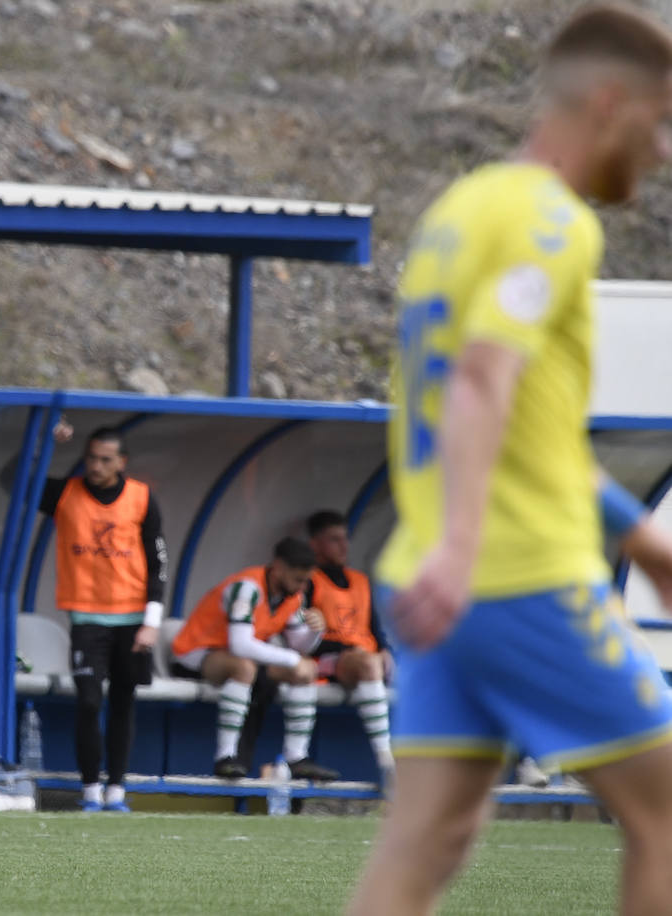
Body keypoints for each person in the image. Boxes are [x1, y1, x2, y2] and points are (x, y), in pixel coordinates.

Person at [349, 7, 672, 913]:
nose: (661, 152)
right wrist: (464, 545)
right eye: (659, 122)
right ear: (610, 103)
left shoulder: (463, 212)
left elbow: (525, 429)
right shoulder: (553, 223)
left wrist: (639, 541)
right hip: (515, 572)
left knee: (426, 842)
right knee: (667, 816)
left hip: (438, 580)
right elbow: (484, 378)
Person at [32, 419, 167, 812]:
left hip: (132, 619)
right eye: (91, 458)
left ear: (121, 462)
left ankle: (116, 790)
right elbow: (13, 478)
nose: (96, 466)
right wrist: (46, 443)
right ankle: (90, 788)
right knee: (89, 702)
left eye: (106, 460)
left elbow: (159, 562)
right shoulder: (65, 493)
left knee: (124, 703)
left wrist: (152, 620)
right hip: (87, 618)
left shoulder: (142, 498)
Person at [170, 538, 339, 781]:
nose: (302, 587)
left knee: (305, 671)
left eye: (306, 581)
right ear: (279, 568)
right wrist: (292, 658)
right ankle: (226, 757)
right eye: (298, 579)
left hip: (238, 658)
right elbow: (240, 644)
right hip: (194, 654)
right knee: (245, 668)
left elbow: (298, 643)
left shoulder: (292, 596)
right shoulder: (246, 588)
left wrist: (315, 630)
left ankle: (297, 758)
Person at [304, 510, 394, 782]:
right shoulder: (308, 580)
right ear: (315, 544)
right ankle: (387, 761)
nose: (343, 546)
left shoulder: (361, 581)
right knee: (368, 662)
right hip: (329, 663)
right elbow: (301, 639)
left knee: (426, 673)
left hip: (366, 659)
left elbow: (375, 632)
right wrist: (350, 652)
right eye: (334, 540)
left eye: (345, 539)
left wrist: (385, 652)